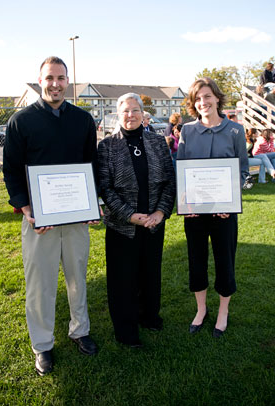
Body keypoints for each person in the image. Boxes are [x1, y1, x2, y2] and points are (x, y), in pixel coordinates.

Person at [3, 56, 98, 376]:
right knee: (40, 284)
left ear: (68, 81)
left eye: (61, 78)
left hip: (75, 219)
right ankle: (42, 344)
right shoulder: (21, 121)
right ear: (40, 80)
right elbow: (12, 171)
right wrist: (27, 209)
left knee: (77, 279)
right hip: (39, 222)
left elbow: (91, 165)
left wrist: (91, 202)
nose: (55, 84)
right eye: (49, 78)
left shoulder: (83, 120)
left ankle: (80, 331)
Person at [97, 93, 176, 347]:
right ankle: (126, 331)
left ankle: (149, 316)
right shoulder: (107, 146)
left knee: (150, 273)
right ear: (117, 115)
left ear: (143, 114)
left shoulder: (157, 141)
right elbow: (105, 189)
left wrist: (159, 213)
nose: (130, 115)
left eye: (135, 110)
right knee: (123, 280)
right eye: (125, 111)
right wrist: (130, 216)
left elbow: (169, 181)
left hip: (153, 224)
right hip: (122, 226)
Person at [177, 77, 248, 338]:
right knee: (196, 260)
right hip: (195, 212)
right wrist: (185, 202)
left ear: (217, 98)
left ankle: (223, 312)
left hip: (224, 212)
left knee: (224, 261)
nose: (203, 102)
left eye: (207, 96)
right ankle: (201, 309)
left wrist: (230, 201)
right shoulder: (187, 131)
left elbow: (242, 171)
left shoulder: (235, 131)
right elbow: (181, 170)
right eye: (197, 98)